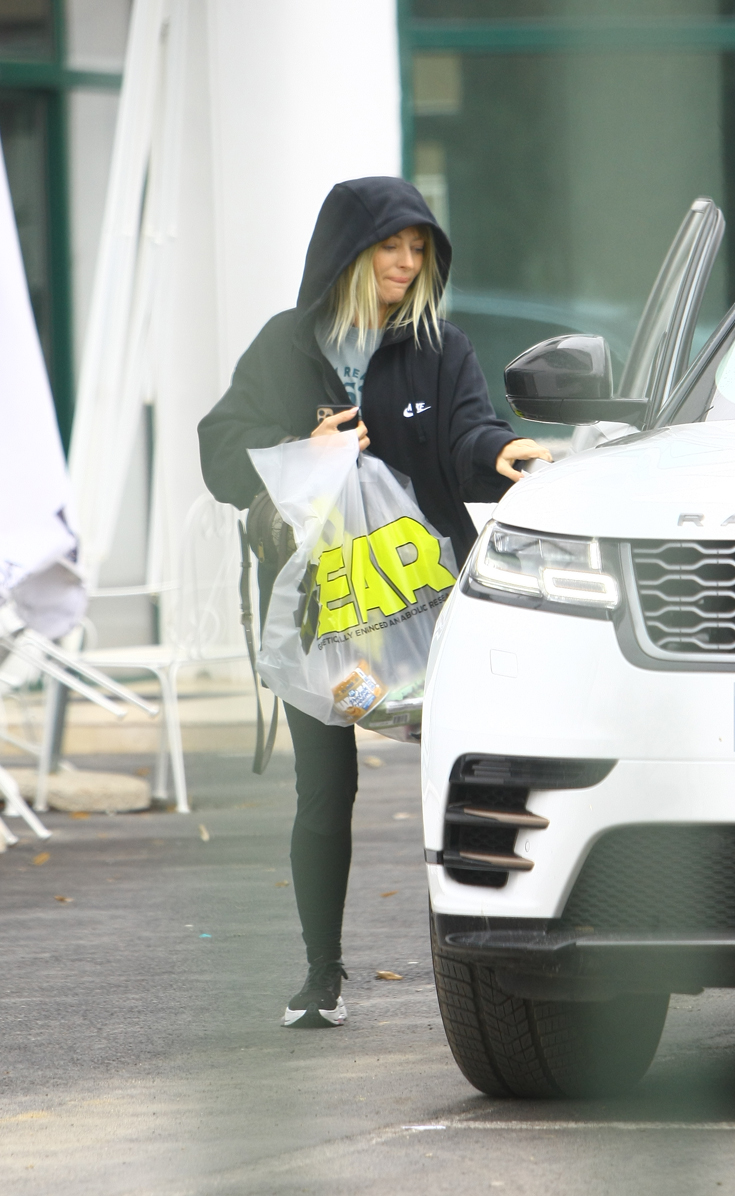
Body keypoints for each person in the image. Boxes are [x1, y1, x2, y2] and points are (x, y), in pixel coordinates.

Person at [198, 176, 551, 1028]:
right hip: (321, 614)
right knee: (325, 788)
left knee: (453, 775)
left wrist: (498, 452)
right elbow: (219, 450)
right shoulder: (285, 346)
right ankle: (321, 976)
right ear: (349, 254)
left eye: (419, 247)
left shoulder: (438, 346)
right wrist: (300, 447)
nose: (406, 262)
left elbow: (465, 431)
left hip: (417, 608)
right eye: (390, 246)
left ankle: (480, 969)